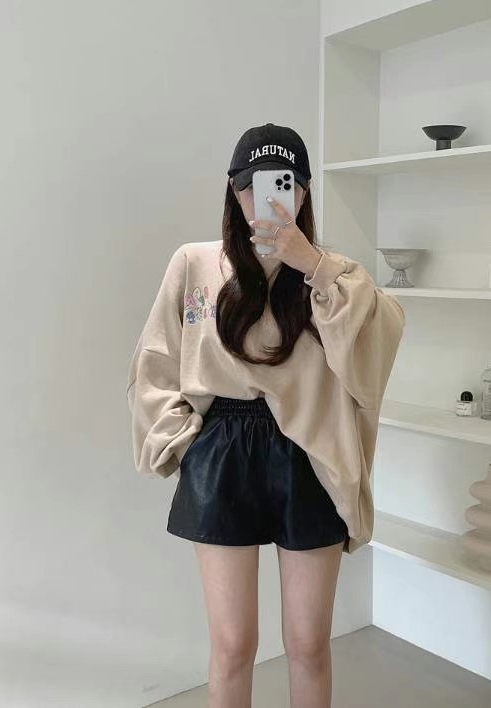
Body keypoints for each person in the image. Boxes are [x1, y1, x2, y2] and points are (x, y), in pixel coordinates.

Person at [126, 122, 405, 708]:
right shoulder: (195, 263)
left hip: (310, 452)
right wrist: (184, 441)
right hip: (222, 450)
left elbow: (375, 348)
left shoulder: (334, 274)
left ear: (303, 194)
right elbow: (156, 359)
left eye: (285, 184)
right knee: (233, 646)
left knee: (308, 646)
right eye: (253, 184)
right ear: (234, 190)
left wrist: (313, 265)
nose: (268, 197)